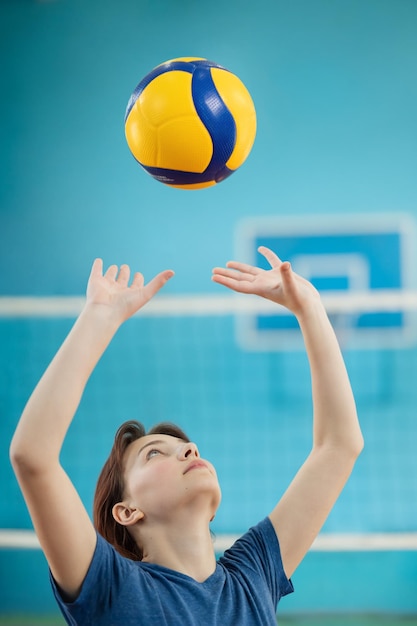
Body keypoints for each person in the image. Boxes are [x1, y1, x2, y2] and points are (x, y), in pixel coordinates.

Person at [10, 246, 363, 625]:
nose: (189, 449)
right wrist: (99, 317)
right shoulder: (112, 587)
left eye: (185, 447)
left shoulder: (252, 574)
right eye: (154, 454)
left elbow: (339, 446)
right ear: (128, 511)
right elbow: (33, 456)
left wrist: (310, 307)